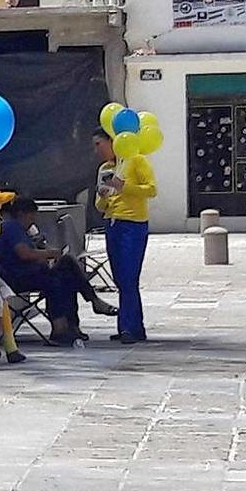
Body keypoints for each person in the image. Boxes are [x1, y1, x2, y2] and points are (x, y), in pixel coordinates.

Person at [0, 196, 118, 345]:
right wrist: (50, 253)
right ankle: (67, 322)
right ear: (21, 214)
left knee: (67, 271)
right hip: (15, 278)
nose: (33, 222)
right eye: (31, 217)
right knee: (57, 279)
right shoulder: (11, 227)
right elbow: (24, 254)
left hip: (27, 272)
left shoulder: (19, 230)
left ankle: (71, 326)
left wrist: (42, 251)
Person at [93, 127, 158, 343]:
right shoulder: (105, 168)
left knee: (129, 276)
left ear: (112, 141)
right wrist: (103, 195)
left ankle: (129, 327)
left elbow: (151, 189)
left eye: (99, 144)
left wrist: (124, 186)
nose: (97, 150)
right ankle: (131, 326)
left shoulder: (136, 160)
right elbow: (99, 205)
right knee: (120, 278)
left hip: (133, 223)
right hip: (112, 223)